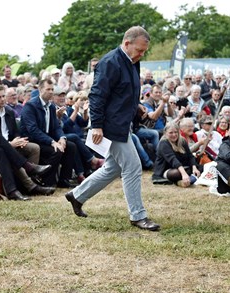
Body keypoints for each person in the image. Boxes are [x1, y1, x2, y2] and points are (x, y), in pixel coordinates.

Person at [64, 26, 160, 231]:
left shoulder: (132, 61)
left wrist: (138, 106)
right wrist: (97, 126)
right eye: (140, 50)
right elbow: (97, 96)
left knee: (113, 167)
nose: (142, 54)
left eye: (144, 51)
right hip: (109, 126)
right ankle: (138, 215)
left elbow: (125, 93)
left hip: (121, 123)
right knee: (133, 167)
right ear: (127, 43)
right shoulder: (109, 62)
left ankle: (77, 195)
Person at [0, 84, 55, 196]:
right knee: (10, 153)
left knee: (34, 148)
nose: (2, 99)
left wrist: (18, 139)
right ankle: (31, 186)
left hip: (12, 143)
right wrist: (10, 144)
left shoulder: (9, 111)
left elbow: (14, 131)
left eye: (3, 96)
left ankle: (32, 179)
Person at [20, 79, 78, 188]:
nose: (51, 92)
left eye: (52, 89)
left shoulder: (51, 106)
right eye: (48, 89)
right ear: (40, 89)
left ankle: (64, 180)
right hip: (32, 140)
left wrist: (61, 138)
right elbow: (33, 130)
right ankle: (47, 182)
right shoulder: (30, 106)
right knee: (55, 150)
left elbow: (55, 126)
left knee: (70, 146)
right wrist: (52, 142)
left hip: (45, 139)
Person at [152, 122, 202, 187]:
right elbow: (173, 160)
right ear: (165, 133)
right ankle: (187, 178)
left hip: (183, 166)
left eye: (176, 132)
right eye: (171, 133)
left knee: (202, 167)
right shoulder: (163, 143)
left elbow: (190, 156)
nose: (174, 135)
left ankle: (187, 178)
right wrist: (183, 173)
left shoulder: (182, 141)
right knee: (176, 173)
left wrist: (194, 168)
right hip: (167, 169)